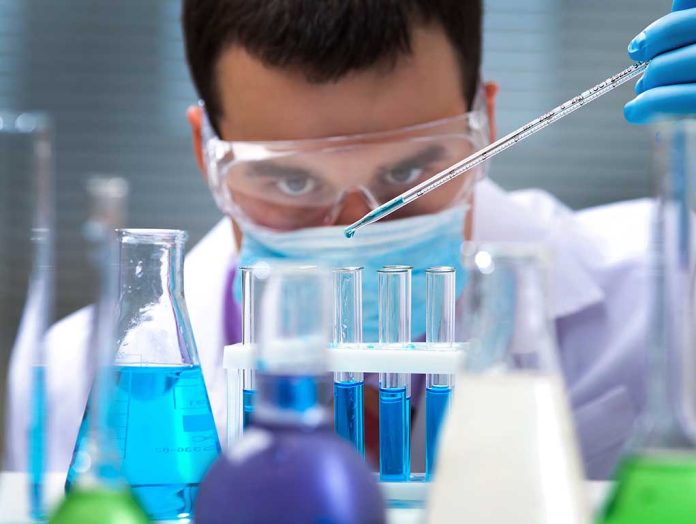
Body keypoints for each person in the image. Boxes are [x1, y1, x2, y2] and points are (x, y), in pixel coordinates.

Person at [6, 0, 696, 479]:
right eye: (291, 182)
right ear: (203, 151)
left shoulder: (669, 291)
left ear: (485, 122)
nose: (352, 231)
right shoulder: (77, 378)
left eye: (406, 172)